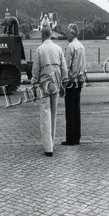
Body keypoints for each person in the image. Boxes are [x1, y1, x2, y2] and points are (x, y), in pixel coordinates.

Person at [30, 26, 68, 157]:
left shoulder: (40, 50)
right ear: (51, 35)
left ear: (42, 35)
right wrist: (63, 84)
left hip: (44, 85)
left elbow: (35, 70)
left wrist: (34, 84)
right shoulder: (58, 48)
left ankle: (48, 147)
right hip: (56, 83)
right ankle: (52, 143)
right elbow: (64, 68)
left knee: (45, 114)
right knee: (54, 113)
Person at [62, 23, 87, 146]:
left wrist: (63, 81)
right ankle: (77, 136)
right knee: (76, 109)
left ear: (72, 33)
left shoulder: (71, 47)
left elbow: (66, 67)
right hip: (80, 81)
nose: (66, 34)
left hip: (71, 82)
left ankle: (70, 138)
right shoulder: (81, 46)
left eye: (67, 32)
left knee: (69, 111)